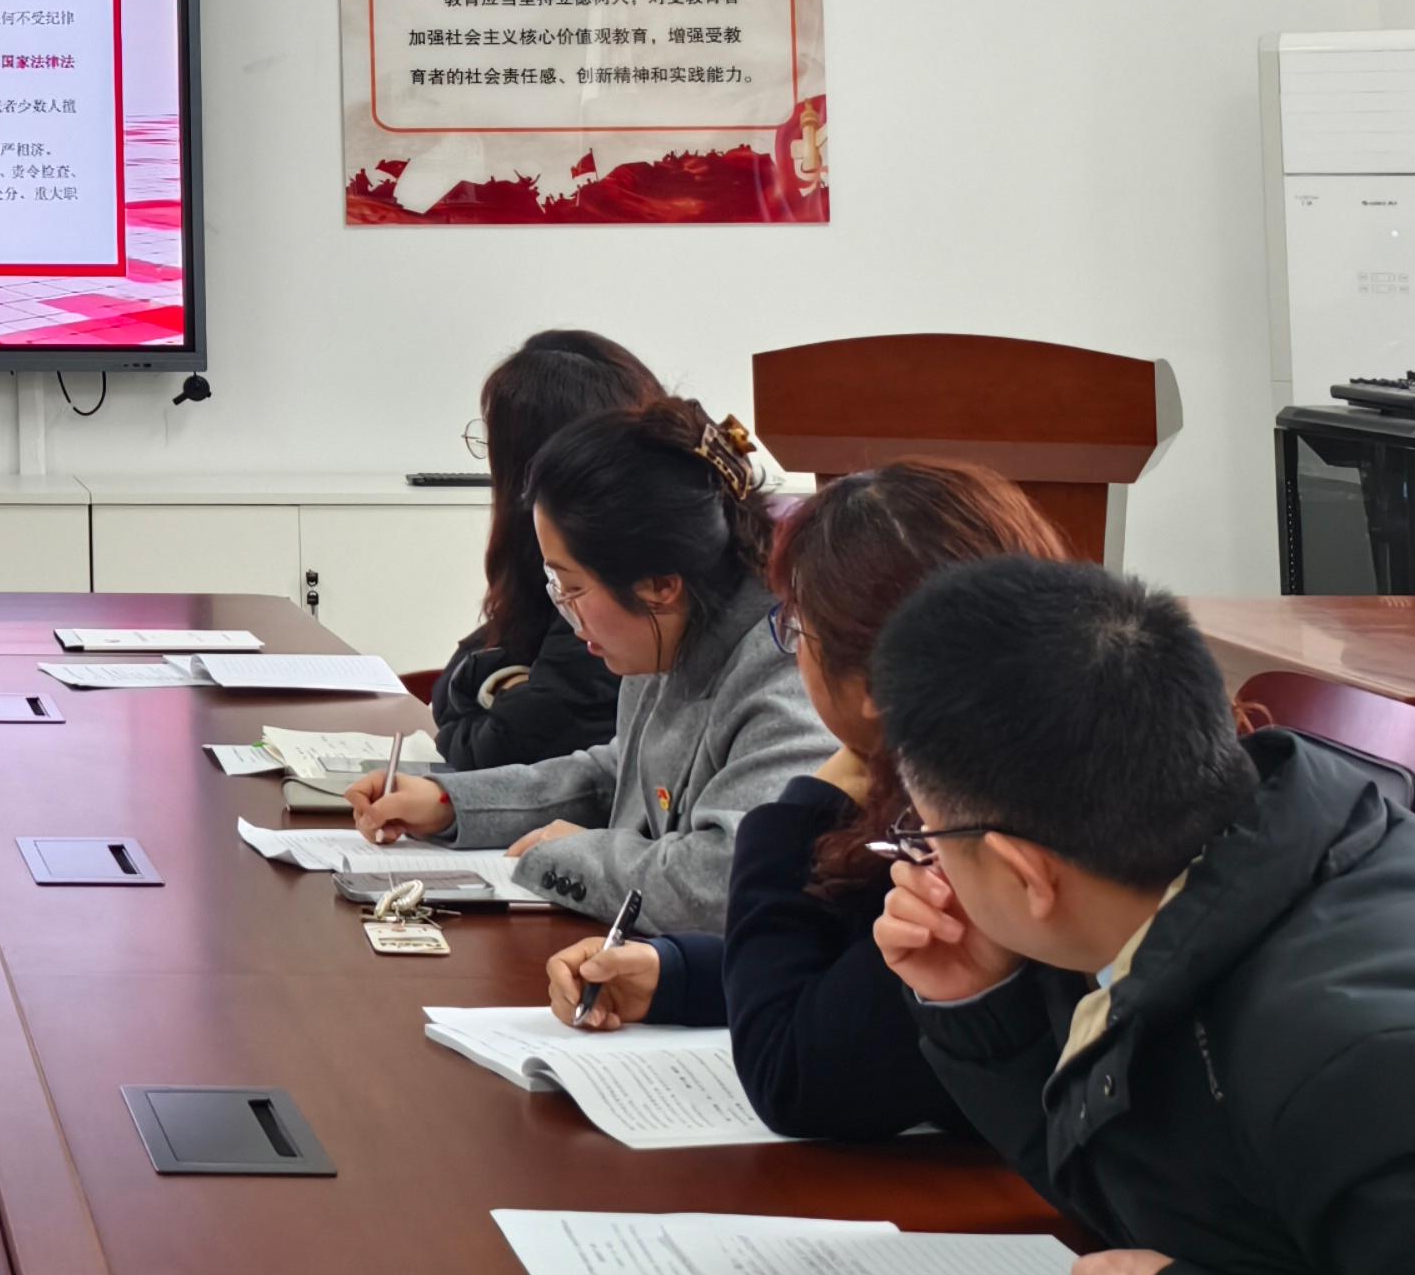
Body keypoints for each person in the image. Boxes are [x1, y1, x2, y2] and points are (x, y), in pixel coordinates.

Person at [869, 557, 1415, 1275]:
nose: (926, 863)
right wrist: (981, 1009)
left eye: (925, 835)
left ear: (1026, 873)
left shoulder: (1376, 1070)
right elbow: (1167, 1197)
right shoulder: (1245, 871)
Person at [538, 460, 1065, 1140]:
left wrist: (810, 797)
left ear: (876, 684)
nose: (792, 652)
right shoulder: (1002, 777)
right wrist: (679, 976)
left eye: (798, 628)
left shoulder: (973, 847)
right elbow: (852, 975)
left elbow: (792, 1075)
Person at [347, 398, 829, 930]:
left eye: (572, 587)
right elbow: (619, 774)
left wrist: (575, 856)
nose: (564, 610)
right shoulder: (675, 628)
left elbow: (723, 882)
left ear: (660, 586)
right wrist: (453, 803)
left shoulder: (790, 675)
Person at [426, 330, 664, 767]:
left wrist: (479, 691)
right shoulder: (565, 575)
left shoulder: (615, 589)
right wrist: (499, 683)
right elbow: (459, 683)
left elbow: (504, 748)